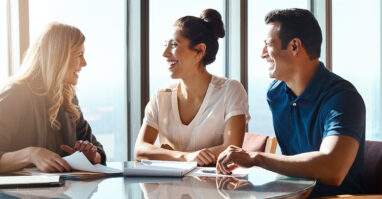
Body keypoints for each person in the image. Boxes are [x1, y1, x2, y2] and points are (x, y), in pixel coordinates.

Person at [216, 8, 365, 197]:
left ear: (294, 46)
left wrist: (256, 158)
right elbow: (291, 163)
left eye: (268, 44)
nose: (262, 53)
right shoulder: (276, 93)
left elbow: (332, 168)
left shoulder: (343, 98)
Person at [134, 9, 250, 166]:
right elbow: (140, 150)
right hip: (168, 189)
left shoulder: (230, 91)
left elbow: (231, 150)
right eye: (165, 45)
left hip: (215, 189)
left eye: (174, 44)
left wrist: (168, 154)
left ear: (200, 50)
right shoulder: (161, 96)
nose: (165, 53)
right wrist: (186, 157)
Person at [0, 22, 106, 173]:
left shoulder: (69, 98)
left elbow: (99, 151)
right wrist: (31, 154)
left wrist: (92, 156)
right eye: (79, 55)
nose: (84, 63)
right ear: (59, 58)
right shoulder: (15, 94)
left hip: (61, 193)